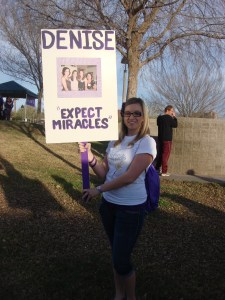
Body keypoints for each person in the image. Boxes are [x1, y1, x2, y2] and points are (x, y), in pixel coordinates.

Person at [79, 97, 157, 300]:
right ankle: (118, 294)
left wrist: (99, 190)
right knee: (116, 254)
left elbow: (130, 176)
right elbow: (105, 173)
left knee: (121, 259)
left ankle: (130, 298)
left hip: (130, 209)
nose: (131, 117)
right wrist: (90, 158)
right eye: (127, 113)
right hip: (109, 207)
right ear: (122, 116)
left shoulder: (146, 142)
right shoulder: (114, 141)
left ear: (143, 117)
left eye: (136, 113)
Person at [155, 105, 178, 176]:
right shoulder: (169, 118)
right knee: (165, 155)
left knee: (160, 154)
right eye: (172, 111)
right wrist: (174, 117)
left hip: (160, 139)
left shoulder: (159, 118)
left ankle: (156, 169)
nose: (172, 112)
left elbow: (158, 124)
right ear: (167, 110)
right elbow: (175, 125)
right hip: (167, 139)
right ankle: (164, 172)